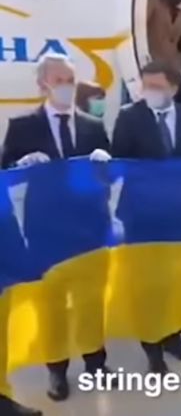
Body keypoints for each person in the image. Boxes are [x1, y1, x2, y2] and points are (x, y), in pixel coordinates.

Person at [1, 53, 112, 401]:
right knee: (51, 305)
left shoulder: (93, 125)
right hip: (46, 229)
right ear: (42, 85)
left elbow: (110, 172)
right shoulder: (23, 126)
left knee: (90, 301)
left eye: (70, 80)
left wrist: (106, 165)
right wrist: (20, 163)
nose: (66, 86)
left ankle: (96, 364)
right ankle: (57, 371)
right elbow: (5, 170)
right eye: (59, 80)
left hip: (90, 229)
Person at [111, 60, 181, 374]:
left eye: (157, 86)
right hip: (141, 215)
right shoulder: (129, 117)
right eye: (146, 85)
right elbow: (119, 161)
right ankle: (152, 347)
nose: (149, 91)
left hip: (179, 214)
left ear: (174, 88)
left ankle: (173, 336)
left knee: (177, 281)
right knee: (147, 283)